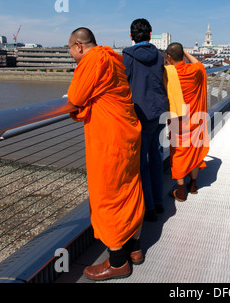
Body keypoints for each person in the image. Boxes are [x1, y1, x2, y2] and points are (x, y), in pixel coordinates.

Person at [67, 27, 144, 281]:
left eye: (70, 49)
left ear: (79, 46)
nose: (71, 54)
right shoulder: (112, 57)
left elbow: (76, 97)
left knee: (108, 193)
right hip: (129, 132)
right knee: (130, 187)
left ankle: (117, 261)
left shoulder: (94, 59)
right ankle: (134, 249)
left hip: (110, 139)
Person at [123, 19, 169, 222]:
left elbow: (122, 83)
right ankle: (158, 202)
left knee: (142, 162)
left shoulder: (127, 56)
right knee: (157, 157)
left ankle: (148, 207)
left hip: (139, 113)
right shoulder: (160, 56)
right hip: (159, 111)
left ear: (131, 36)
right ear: (150, 35)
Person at [165, 42, 210, 202]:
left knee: (178, 152)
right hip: (196, 118)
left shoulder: (168, 73)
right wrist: (185, 53)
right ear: (183, 55)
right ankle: (194, 185)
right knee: (195, 151)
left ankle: (181, 191)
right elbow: (200, 65)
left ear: (169, 57)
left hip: (178, 120)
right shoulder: (194, 70)